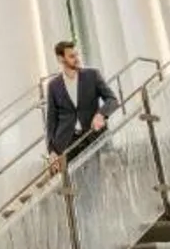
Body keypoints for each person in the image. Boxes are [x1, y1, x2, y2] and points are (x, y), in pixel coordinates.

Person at [45, 40, 119, 168]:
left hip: (92, 136)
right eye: (71, 56)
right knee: (74, 180)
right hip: (67, 144)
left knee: (95, 178)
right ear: (61, 59)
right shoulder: (53, 85)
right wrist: (51, 150)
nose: (77, 59)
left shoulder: (92, 75)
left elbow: (112, 99)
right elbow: (51, 120)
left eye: (77, 54)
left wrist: (101, 115)